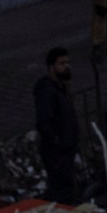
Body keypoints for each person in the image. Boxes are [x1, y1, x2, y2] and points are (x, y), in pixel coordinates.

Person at [34, 48, 84, 204]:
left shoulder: (61, 88)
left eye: (68, 62)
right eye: (62, 63)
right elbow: (43, 122)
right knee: (62, 193)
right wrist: (58, 143)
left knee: (67, 190)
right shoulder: (48, 91)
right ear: (51, 67)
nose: (67, 66)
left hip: (64, 151)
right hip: (57, 154)